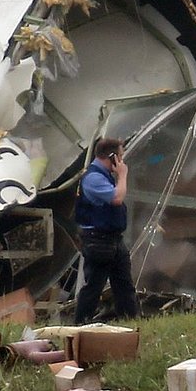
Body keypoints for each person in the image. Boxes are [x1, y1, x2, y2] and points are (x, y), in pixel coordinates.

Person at [74, 137, 139, 324]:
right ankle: (81, 323)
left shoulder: (103, 175)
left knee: (124, 284)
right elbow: (116, 198)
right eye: (120, 156)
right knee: (94, 285)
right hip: (98, 240)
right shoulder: (93, 178)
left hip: (113, 239)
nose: (122, 161)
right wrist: (123, 175)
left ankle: (130, 320)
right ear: (111, 157)